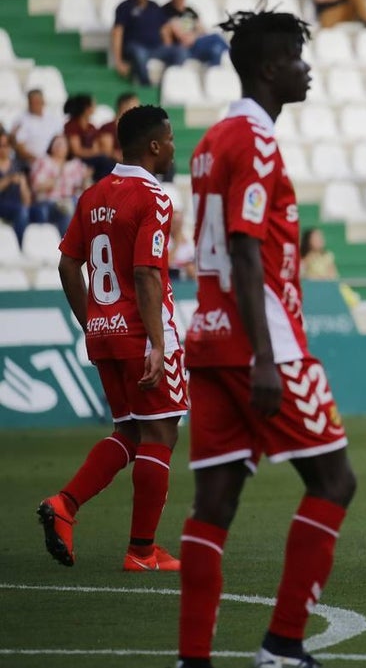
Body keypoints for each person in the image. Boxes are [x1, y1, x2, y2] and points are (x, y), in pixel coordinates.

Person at [178, 9, 356, 668]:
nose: (306, 68)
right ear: (268, 68)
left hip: (208, 335)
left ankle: (191, 657)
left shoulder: (209, 139)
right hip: (265, 341)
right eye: (295, 57)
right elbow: (247, 251)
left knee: (214, 502)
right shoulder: (253, 141)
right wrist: (263, 357)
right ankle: (282, 642)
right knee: (335, 481)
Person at [37, 104, 184, 573]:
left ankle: (65, 504)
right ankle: (142, 552)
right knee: (161, 433)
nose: (175, 146)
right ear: (155, 146)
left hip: (104, 334)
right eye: (171, 138)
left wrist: (92, 322)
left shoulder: (93, 194)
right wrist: (157, 344)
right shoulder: (154, 197)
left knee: (130, 432)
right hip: (141, 334)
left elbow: (67, 263)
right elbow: (146, 273)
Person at [112, 0, 186, 87]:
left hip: (156, 47)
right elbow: (117, 32)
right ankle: (146, 86)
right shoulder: (125, 7)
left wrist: (167, 46)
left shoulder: (154, 7)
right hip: (135, 46)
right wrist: (118, 61)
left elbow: (164, 29)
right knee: (140, 54)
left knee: (180, 52)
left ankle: (167, 83)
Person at [161, 0, 231, 68]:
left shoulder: (190, 11)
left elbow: (202, 30)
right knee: (216, 38)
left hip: (195, 44)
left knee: (216, 50)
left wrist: (193, 35)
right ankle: (235, 55)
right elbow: (181, 36)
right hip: (182, 48)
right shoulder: (167, 9)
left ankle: (214, 73)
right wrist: (193, 34)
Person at [29, 133, 89, 237]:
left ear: (68, 148)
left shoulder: (75, 164)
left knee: (71, 209)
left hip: (71, 202)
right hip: (49, 203)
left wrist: (85, 180)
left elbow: (83, 186)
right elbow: (36, 186)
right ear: (51, 146)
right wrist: (56, 179)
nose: (58, 147)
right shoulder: (43, 161)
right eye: (56, 144)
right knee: (67, 209)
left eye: (62, 144)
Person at [64, 94, 118, 182]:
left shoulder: (91, 126)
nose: (95, 107)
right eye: (93, 104)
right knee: (103, 160)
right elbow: (76, 151)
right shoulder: (72, 125)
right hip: (77, 160)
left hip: (92, 158)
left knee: (108, 160)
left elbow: (95, 146)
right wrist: (96, 152)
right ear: (86, 108)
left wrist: (98, 152)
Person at [10, 88, 64, 169]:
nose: (35, 105)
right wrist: (39, 160)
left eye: (37, 102)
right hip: (30, 163)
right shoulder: (21, 120)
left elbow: (60, 140)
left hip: (53, 163)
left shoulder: (53, 118)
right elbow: (20, 148)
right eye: (32, 102)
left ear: (43, 102)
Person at [0, 130, 30, 245]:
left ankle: (21, 244)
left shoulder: (17, 165)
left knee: (24, 212)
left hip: (15, 206)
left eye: (6, 145)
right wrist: (8, 180)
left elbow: (26, 200)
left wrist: (22, 184)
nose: (3, 149)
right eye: (0, 145)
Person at [98, 92, 140, 163]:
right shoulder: (108, 128)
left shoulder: (135, 129)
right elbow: (106, 152)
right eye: (135, 106)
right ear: (124, 106)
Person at [169, 209, 196, 281]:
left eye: (179, 223)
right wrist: (176, 243)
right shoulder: (166, 240)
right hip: (173, 276)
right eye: (175, 223)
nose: (178, 226)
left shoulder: (188, 240)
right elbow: (167, 262)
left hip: (188, 276)